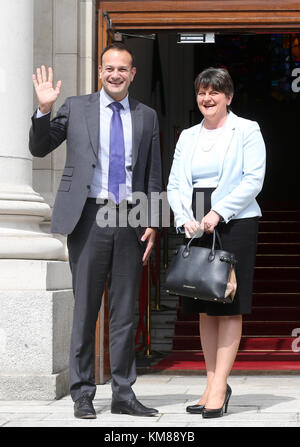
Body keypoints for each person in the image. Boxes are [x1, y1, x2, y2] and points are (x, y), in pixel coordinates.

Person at [29, 43, 162, 419]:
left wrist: (154, 219)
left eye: (123, 69)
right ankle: (83, 392)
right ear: (99, 72)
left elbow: (152, 171)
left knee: (125, 313)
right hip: (88, 216)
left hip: (130, 220)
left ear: (133, 74)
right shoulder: (76, 107)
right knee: (86, 308)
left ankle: (123, 393)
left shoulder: (147, 116)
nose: (115, 74)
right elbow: (40, 148)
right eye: (109, 68)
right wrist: (43, 110)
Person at [167, 67, 266, 418]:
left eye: (215, 92)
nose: (207, 98)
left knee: (228, 305)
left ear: (229, 97)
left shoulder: (247, 129)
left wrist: (218, 212)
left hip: (235, 221)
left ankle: (220, 385)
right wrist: (184, 217)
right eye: (201, 92)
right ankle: (211, 385)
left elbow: (253, 179)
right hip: (195, 223)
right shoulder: (188, 135)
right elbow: (176, 183)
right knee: (203, 305)